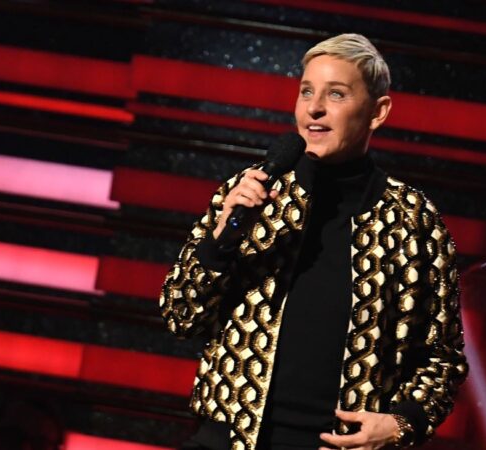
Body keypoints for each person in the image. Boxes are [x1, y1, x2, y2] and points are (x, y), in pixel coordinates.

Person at [161, 33, 467, 450]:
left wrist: (401, 424)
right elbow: (181, 316)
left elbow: (443, 359)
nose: (314, 108)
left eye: (336, 94)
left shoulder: (412, 221)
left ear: (378, 112)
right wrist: (221, 240)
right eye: (307, 91)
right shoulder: (250, 193)